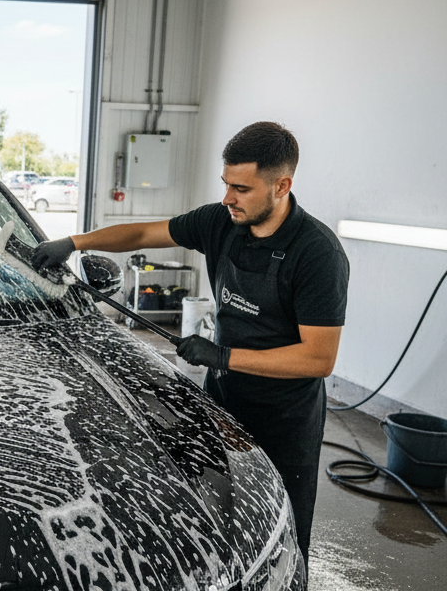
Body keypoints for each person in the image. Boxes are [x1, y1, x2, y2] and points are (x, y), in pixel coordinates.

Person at [31, 122, 349, 564]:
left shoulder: (317, 254)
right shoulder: (220, 222)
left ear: (282, 186)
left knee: (283, 533)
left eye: (241, 189)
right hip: (223, 399)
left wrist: (223, 355)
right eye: (226, 184)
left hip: (285, 418)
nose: (228, 198)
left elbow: (319, 358)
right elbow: (143, 234)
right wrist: (74, 242)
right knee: (219, 510)